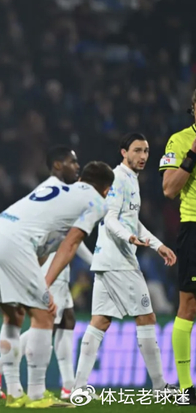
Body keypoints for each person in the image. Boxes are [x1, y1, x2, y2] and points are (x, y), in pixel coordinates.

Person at [0, 161, 115, 408]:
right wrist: (45, 284)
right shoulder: (96, 202)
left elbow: (45, 241)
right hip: (17, 248)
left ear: (81, 179)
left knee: (17, 315)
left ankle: (18, 392)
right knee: (45, 317)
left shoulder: (56, 188)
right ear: (106, 189)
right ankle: (35, 393)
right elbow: (70, 243)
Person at [66, 133, 177, 399]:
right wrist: (128, 238)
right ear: (124, 152)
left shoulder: (131, 179)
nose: (143, 156)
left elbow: (132, 221)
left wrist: (157, 244)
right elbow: (111, 219)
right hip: (119, 260)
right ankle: (160, 387)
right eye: (137, 150)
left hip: (108, 259)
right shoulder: (118, 178)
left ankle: (78, 387)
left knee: (100, 322)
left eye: (146, 151)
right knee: (147, 317)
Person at [161, 90, 196, 404]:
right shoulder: (180, 140)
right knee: (189, 307)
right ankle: (186, 388)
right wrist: (193, 153)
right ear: (193, 108)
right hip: (194, 228)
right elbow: (169, 189)